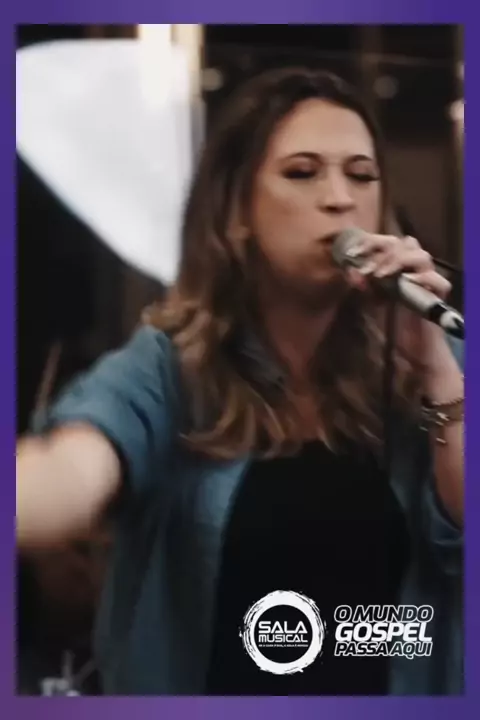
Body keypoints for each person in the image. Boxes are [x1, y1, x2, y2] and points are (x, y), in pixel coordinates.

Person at [16, 67, 464, 696]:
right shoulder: (173, 365)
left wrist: (438, 370)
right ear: (238, 211)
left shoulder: (435, 361)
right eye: (302, 173)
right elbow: (72, 470)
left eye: (361, 175)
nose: (340, 198)